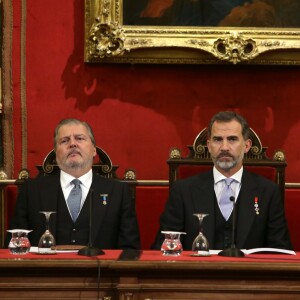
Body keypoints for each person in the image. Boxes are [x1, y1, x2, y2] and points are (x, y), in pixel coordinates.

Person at [152, 111, 292, 250]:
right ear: (209, 145)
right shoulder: (183, 191)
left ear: (247, 146)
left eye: (232, 139)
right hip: (198, 271)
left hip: (249, 272)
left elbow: (280, 251)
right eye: (218, 140)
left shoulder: (268, 192)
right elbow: (164, 248)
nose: (224, 147)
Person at [6, 118, 140, 249]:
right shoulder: (32, 191)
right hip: (47, 270)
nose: (73, 144)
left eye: (80, 138)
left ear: (94, 150)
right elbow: (15, 243)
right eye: (64, 141)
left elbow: (130, 250)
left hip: (100, 271)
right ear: (56, 153)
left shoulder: (118, 191)